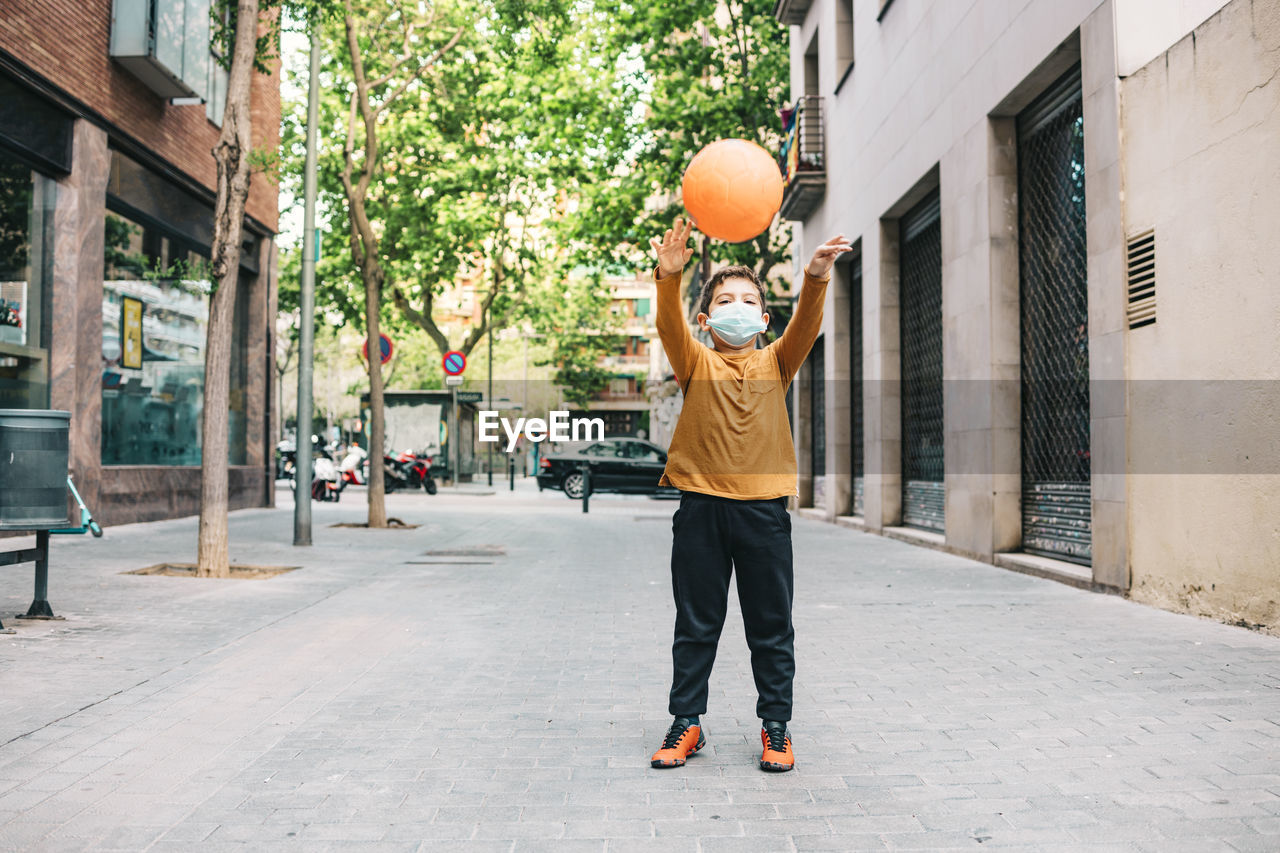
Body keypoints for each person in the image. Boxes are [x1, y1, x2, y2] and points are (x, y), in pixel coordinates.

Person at [647, 215, 851, 773]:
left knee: (771, 627)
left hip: (764, 514)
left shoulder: (777, 361)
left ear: (763, 318)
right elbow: (668, 325)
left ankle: (777, 728)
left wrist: (814, 278)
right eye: (725, 300)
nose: (736, 307)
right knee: (695, 624)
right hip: (700, 512)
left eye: (747, 300)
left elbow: (807, 325)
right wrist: (669, 277)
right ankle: (686, 723)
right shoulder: (695, 361)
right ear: (706, 318)